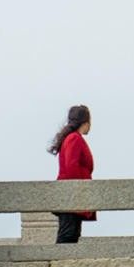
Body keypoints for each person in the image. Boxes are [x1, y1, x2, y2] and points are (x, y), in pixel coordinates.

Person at [49, 104, 94, 244]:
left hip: (72, 194)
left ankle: (60, 263)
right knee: (68, 233)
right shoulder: (74, 138)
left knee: (71, 232)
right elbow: (71, 166)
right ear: (85, 122)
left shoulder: (71, 138)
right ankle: (58, 263)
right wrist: (79, 191)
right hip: (71, 195)